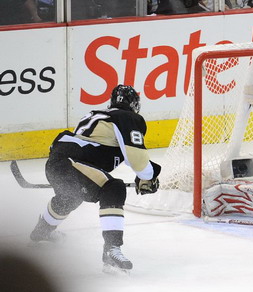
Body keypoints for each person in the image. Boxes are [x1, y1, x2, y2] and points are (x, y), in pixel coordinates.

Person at [29, 85, 161, 274]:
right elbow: (137, 160)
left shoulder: (97, 116)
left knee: (71, 197)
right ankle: (111, 250)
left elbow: (104, 152)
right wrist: (148, 176)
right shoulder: (128, 117)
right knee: (113, 188)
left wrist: (144, 174)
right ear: (134, 105)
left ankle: (41, 233)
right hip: (71, 164)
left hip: (58, 164)